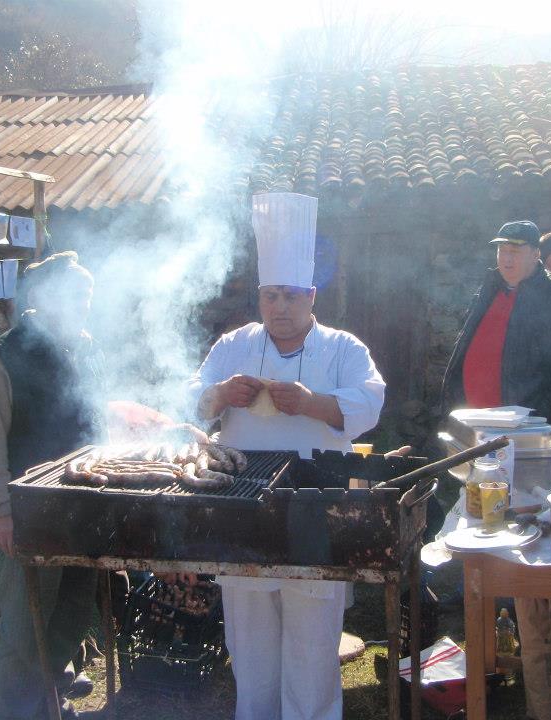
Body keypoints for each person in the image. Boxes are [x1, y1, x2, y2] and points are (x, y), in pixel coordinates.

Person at [188, 192, 385, 720]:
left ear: (312, 296)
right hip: (242, 506)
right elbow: (191, 400)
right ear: (260, 296)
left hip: (315, 507)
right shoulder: (233, 345)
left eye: (291, 296)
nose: (280, 307)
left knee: (312, 644)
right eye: (271, 295)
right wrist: (219, 396)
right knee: (249, 647)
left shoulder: (344, 349)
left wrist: (315, 405)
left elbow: (371, 401)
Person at [0, 251, 105, 720]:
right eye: (76, 295)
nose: (85, 304)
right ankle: (18, 710)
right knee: (27, 625)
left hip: (83, 506)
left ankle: (54, 688)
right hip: (31, 512)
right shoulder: (5, 358)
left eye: (88, 295)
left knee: (73, 607)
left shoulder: (83, 348)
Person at [440, 220, 551, 435]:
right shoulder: (490, 287)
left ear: (535, 254)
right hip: (473, 423)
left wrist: (537, 422)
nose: (506, 258)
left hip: (522, 432)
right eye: (502, 250)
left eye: (514, 251)